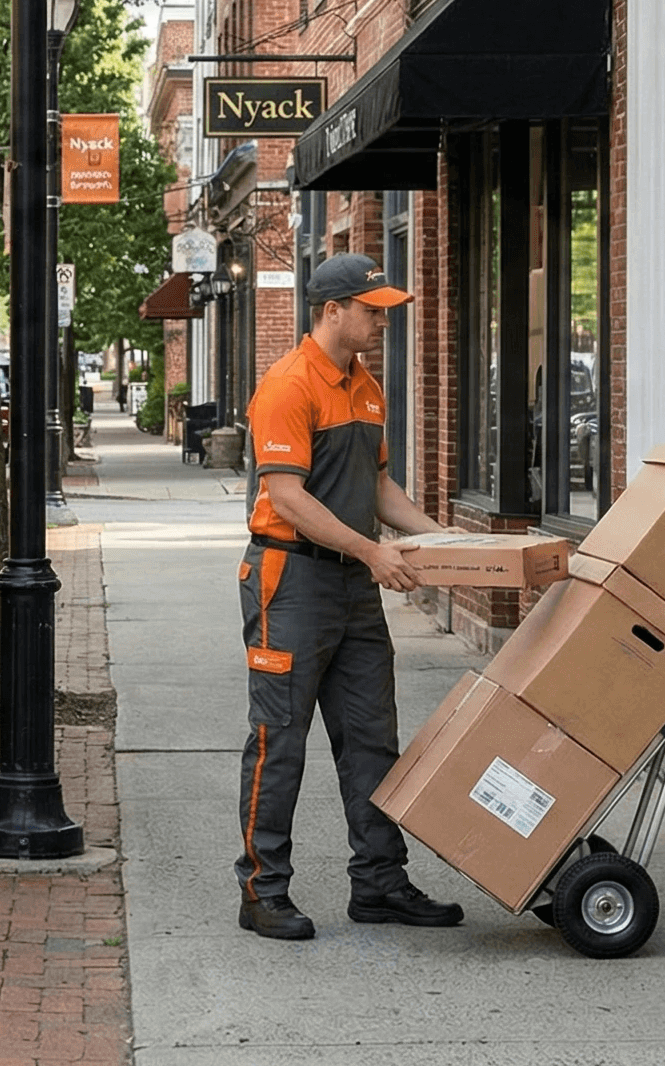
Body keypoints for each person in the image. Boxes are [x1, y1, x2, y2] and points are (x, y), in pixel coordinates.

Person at [234, 252, 464, 941]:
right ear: (332, 310)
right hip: (290, 580)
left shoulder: (364, 386)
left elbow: (378, 490)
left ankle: (379, 883)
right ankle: (260, 891)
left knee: (371, 738)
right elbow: (286, 496)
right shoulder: (287, 385)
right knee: (279, 742)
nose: (381, 321)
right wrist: (370, 551)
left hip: (350, 584)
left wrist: (444, 541)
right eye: (372, 310)